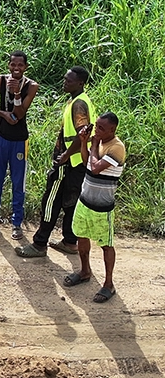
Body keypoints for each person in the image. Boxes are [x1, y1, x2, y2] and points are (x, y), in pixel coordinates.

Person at [16, 65, 96, 258]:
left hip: (68, 163)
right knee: (71, 203)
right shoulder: (81, 100)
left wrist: (66, 155)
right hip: (79, 163)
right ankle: (70, 241)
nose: (65, 82)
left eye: (69, 80)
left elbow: (82, 133)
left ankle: (39, 244)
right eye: (65, 79)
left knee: (51, 201)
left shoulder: (78, 104)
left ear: (80, 83)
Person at [0, 52, 39, 239]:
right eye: (13, 64)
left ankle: (16, 223)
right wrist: (3, 114)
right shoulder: (0, 80)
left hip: (19, 140)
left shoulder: (31, 86)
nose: (16, 68)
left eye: (20, 65)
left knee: (18, 183)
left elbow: (19, 113)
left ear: (26, 67)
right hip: (1, 136)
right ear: (8, 65)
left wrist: (17, 92)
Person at [64, 112, 126, 303]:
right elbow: (85, 162)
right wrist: (84, 143)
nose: (96, 130)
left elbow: (96, 167)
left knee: (106, 245)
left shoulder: (117, 148)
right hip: (85, 200)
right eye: (96, 126)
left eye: (101, 128)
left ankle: (109, 284)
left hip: (102, 207)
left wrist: (92, 145)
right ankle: (85, 271)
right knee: (82, 235)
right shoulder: (98, 142)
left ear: (112, 130)